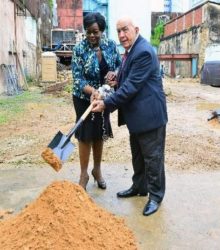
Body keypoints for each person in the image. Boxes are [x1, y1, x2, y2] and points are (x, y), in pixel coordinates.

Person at [91, 17, 168, 216]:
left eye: (125, 30)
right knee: (138, 157)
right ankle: (139, 187)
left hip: (150, 117)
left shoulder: (142, 51)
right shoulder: (132, 50)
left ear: (136, 29)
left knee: (153, 159)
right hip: (138, 117)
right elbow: (129, 77)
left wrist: (106, 103)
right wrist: (117, 78)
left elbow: (132, 87)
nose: (122, 35)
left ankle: (155, 196)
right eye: (118, 31)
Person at [71, 12, 121, 190]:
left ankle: (97, 170)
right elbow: (77, 78)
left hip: (104, 97)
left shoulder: (111, 45)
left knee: (100, 133)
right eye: (88, 32)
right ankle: (84, 174)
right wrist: (92, 91)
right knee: (85, 136)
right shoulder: (79, 49)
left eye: (95, 32)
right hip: (83, 98)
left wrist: (114, 73)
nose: (92, 35)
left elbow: (119, 65)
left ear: (102, 31)